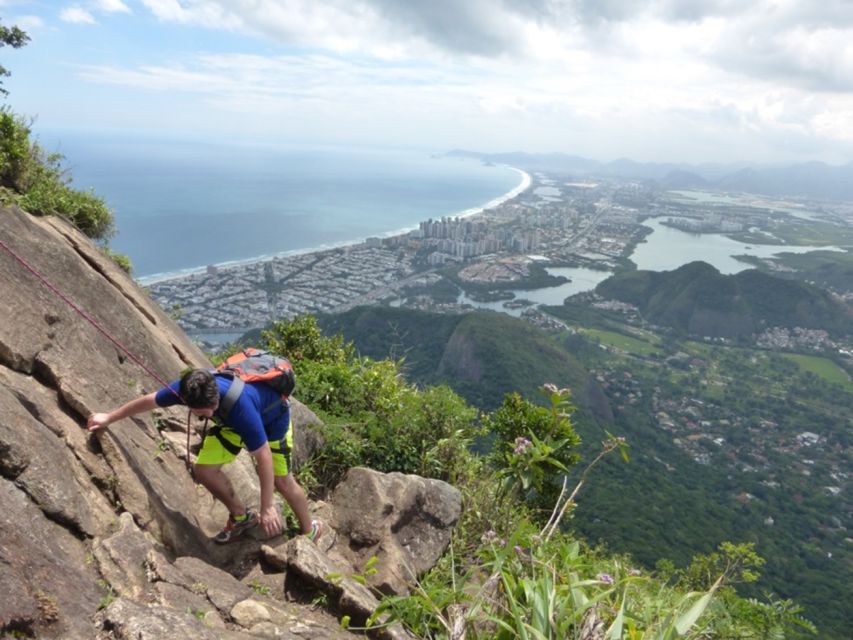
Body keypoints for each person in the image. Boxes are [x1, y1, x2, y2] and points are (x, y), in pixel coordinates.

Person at [87, 368, 322, 544]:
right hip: (230, 425)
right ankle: (241, 517)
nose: (206, 414)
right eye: (200, 412)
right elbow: (148, 401)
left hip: (272, 421)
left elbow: (263, 457)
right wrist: (109, 418)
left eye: (209, 408)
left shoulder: (241, 408)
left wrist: (267, 507)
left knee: (282, 481)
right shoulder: (188, 390)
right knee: (204, 470)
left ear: (216, 397)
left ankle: (309, 529)